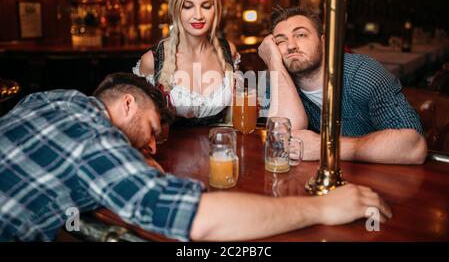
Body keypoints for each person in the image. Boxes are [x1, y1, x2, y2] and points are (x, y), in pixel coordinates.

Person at [0, 73, 392, 242]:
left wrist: (131, 159)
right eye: (152, 130)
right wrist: (323, 210)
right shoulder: (94, 142)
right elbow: (197, 221)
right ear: (127, 103)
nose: (152, 147)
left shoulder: (52, 100)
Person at [258, 6, 427, 165]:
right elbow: (284, 141)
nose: (291, 45)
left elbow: (414, 146)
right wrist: (274, 62)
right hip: (312, 186)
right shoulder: (277, 80)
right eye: (280, 41)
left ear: (323, 41)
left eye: (301, 35)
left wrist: (325, 148)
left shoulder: (361, 74)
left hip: (376, 180)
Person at [133, 0, 240, 126]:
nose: (198, 15)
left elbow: (232, 116)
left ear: (216, 9)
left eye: (206, 6)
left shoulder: (228, 51)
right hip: (168, 150)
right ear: (176, 9)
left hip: (219, 148)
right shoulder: (152, 61)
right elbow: (138, 123)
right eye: (187, 6)